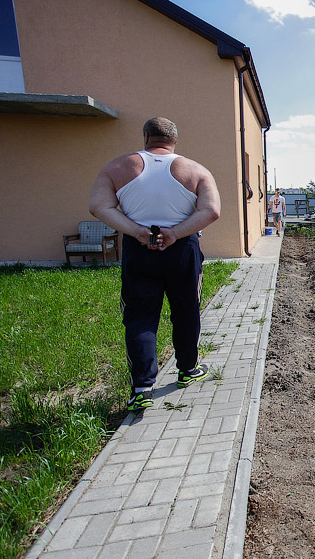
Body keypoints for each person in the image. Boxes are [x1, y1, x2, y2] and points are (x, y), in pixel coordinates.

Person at [89, 117, 221, 412]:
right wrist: (174, 233)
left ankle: (141, 388)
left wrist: (137, 231)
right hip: (183, 248)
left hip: (140, 247)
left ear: (146, 136)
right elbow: (211, 211)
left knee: (140, 317)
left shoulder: (118, 167)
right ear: (174, 140)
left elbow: (99, 206)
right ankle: (187, 370)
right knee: (186, 311)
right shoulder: (196, 170)